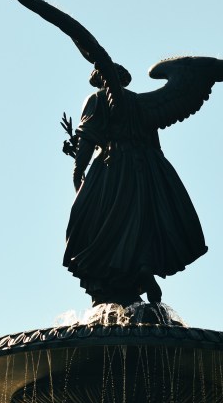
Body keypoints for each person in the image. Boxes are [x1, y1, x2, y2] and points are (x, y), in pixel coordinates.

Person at [64, 65, 207, 305]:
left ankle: (113, 278)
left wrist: (78, 170)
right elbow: (154, 143)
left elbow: (89, 139)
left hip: (112, 167)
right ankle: (142, 267)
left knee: (93, 224)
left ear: (102, 79)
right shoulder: (144, 104)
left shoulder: (96, 99)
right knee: (138, 221)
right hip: (147, 168)